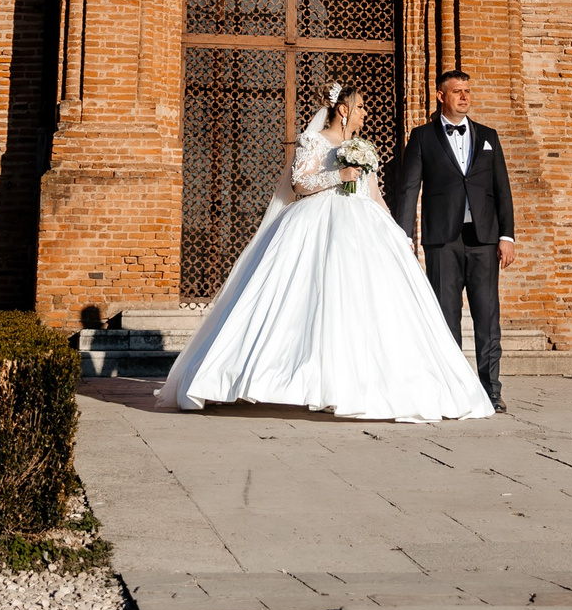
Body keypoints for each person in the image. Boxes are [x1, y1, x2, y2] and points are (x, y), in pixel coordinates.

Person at [155, 83, 493, 423]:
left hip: (366, 228)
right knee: (309, 298)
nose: (365, 113)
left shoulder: (364, 147)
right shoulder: (313, 141)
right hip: (316, 222)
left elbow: (373, 194)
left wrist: (397, 233)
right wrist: (339, 174)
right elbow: (300, 183)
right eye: (360, 107)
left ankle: (358, 380)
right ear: (343, 110)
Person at [389, 68, 515, 412]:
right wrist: (404, 239)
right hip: (442, 240)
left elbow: (501, 191)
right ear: (441, 96)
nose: (465, 97)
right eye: (457, 91)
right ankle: (452, 389)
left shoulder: (488, 136)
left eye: (468, 91)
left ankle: (491, 391)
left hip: (484, 240)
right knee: (446, 318)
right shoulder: (422, 138)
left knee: (488, 317)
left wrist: (507, 236)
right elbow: (409, 189)